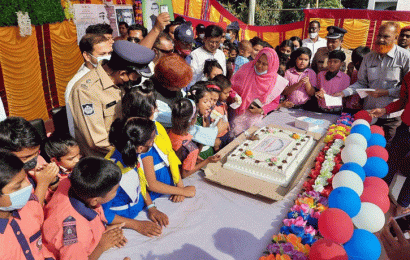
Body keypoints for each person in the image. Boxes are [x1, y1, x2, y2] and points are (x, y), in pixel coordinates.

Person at [68, 40, 155, 157]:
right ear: (122, 73)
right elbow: (97, 142)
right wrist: (132, 151)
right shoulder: (87, 91)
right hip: (107, 160)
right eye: (135, 77)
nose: (135, 81)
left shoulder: (121, 82)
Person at [334, 22, 410, 143]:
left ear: (396, 38)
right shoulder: (369, 57)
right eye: (379, 36)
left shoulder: (405, 57)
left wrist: (386, 92)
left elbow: (406, 90)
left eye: (386, 37)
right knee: (364, 146)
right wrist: (343, 93)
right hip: (370, 113)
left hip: (391, 117)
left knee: (387, 152)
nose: (380, 40)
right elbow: (361, 83)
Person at [42, 157, 127, 260]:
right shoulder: (76, 235)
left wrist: (102, 231)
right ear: (94, 201)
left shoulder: (68, 183)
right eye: (115, 190)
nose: (116, 192)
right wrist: (101, 245)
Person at [105, 116, 166, 236]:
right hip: (123, 221)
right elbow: (104, 212)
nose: (154, 142)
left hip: (139, 210)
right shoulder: (111, 173)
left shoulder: (131, 154)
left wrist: (151, 207)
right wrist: (137, 225)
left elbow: (141, 183)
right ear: (141, 148)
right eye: (152, 140)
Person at [370, 70, 410, 216]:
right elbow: (404, 101)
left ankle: (402, 207)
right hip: (405, 129)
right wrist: (385, 110)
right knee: (391, 162)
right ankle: (379, 195)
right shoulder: (409, 76)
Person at [0, 151, 54, 259]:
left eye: (24, 179)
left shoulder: (30, 208)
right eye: (18, 186)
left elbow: (39, 247)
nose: (27, 186)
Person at [0, 117, 59, 206]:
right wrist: (43, 184)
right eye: (25, 157)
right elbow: (32, 215)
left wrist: (53, 179)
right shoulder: (8, 182)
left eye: (37, 152)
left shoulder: (39, 160)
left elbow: (57, 191)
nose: (34, 159)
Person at [230, 47, 289, 136]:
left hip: (255, 119)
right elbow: (231, 87)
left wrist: (261, 110)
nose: (259, 66)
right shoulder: (246, 69)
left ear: (272, 65)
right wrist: (234, 96)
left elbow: (275, 102)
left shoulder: (276, 82)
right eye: (258, 61)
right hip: (237, 115)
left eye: (264, 64)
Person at [65, 34, 112, 137]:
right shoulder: (77, 85)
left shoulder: (109, 74)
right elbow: (77, 127)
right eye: (102, 54)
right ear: (87, 56)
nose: (108, 58)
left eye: (109, 53)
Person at [169, 98, 221, 178]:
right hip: (175, 179)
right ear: (193, 120)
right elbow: (185, 174)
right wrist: (207, 160)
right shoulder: (191, 148)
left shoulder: (167, 131)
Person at [343, 46, 371, 114]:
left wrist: (361, 102)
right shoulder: (353, 73)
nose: (357, 64)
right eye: (355, 62)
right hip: (349, 106)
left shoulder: (370, 75)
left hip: (364, 108)